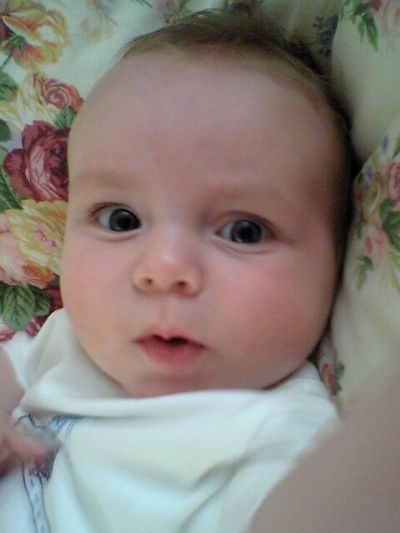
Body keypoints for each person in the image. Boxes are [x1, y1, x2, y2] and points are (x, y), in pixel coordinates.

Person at [0, 8, 349, 532]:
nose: (163, 270)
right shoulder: (72, 338)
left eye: (244, 231)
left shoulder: (282, 441)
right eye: (121, 220)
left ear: (336, 262)